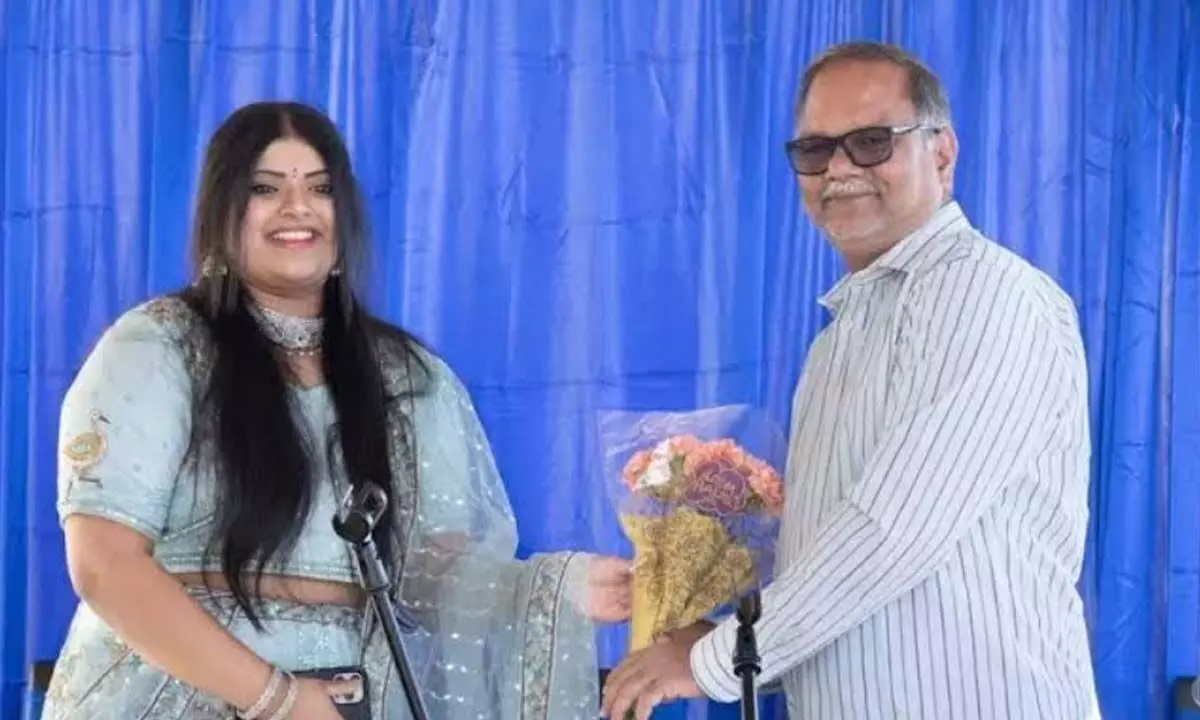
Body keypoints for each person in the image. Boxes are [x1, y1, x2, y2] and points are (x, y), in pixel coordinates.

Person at [42, 101, 631, 719]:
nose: (297, 207)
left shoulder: (408, 377)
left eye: (320, 189)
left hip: (350, 702)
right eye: (265, 188)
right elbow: (105, 566)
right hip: (177, 696)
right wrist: (277, 699)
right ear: (220, 212)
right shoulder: (158, 347)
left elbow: (433, 580)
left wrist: (557, 589)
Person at [602, 41, 1099, 719]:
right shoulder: (835, 343)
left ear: (942, 153)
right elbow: (843, 587)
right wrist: (713, 625)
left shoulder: (989, 294)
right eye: (815, 151)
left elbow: (897, 530)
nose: (838, 168)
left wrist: (720, 656)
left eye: (871, 142)